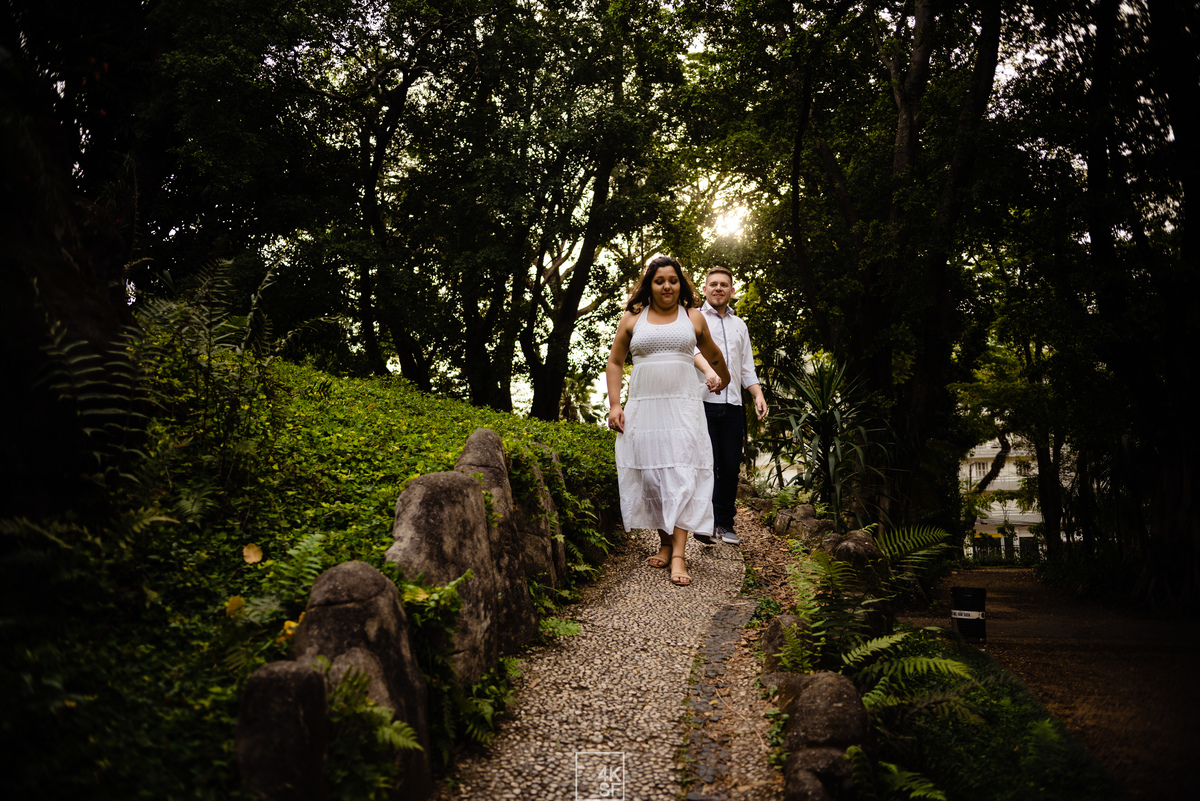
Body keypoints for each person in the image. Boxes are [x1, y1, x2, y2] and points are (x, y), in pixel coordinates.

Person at [606, 256, 731, 586]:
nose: (666, 286)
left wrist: (721, 376)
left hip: (683, 411)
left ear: (681, 284)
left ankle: (678, 555)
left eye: (672, 280)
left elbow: (713, 354)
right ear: (650, 284)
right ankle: (663, 542)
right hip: (645, 410)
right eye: (660, 280)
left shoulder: (693, 318)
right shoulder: (633, 319)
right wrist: (615, 405)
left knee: (681, 475)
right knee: (654, 478)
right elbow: (616, 362)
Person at [691, 267, 768, 546]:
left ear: (732, 291)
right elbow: (690, 354)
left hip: (733, 404)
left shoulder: (740, 326)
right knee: (706, 466)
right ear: (705, 289)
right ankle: (705, 522)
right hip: (702, 403)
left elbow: (747, 368)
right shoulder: (694, 319)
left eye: (724, 285)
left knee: (730, 467)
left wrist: (757, 395)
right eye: (713, 284)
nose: (719, 288)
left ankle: (725, 524)